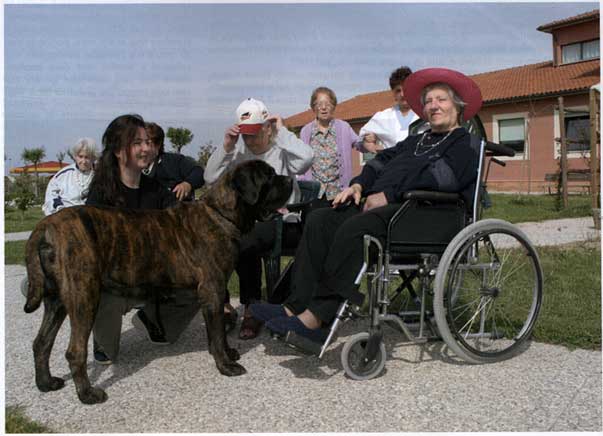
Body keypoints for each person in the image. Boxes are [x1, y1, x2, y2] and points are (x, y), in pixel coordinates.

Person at [250, 67, 483, 349]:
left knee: (356, 228)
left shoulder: (465, 143)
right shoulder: (416, 140)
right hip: (391, 209)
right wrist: (359, 184)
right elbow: (380, 161)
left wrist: (389, 194)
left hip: (426, 214)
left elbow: (442, 179)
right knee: (321, 219)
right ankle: (294, 306)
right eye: (429, 101)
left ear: (457, 106)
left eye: (441, 100)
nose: (433, 106)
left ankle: (318, 318)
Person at [87, 114, 199, 365]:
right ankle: (103, 338)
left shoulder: (156, 189)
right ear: (119, 150)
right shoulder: (101, 193)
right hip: (115, 278)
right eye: (137, 143)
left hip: (152, 273)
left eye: (148, 142)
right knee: (103, 297)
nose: (146, 148)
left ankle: (154, 322)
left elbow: (183, 220)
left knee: (197, 281)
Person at [204, 97, 313, 339]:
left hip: (283, 221)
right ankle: (224, 305)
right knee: (221, 240)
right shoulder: (239, 152)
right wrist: (227, 146)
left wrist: (282, 132)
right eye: (246, 135)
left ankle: (251, 308)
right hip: (250, 222)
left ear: (267, 128)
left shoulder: (282, 149)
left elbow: (307, 160)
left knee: (244, 241)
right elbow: (210, 177)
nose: (250, 140)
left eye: (255, 133)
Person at [298, 87, 359, 202]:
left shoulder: (344, 127)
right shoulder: (306, 131)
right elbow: (301, 160)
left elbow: (359, 143)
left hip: (340, 192)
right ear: (313, 107)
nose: (323, 107)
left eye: (328, 104)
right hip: (315, 193)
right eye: (319, 104)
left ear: (334, 106)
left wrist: (368, 141)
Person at [357, 66, 420, 152]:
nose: (402, 94)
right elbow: (361, 140)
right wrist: (369, 143)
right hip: (392, 160)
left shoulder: (425, 113)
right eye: (398, 91)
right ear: (393, 94)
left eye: (406, 89)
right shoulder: (383, 117)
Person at [143, 122, 205, 201]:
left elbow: (198, 172)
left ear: (158, 145)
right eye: (138, 143)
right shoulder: (132, 167)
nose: (142, 148)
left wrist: (187, 184)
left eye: (147, 143)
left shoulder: (174, 161)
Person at [42, 138, 98, 215]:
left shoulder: (99, 176)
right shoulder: (63, 175)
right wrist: (60, 209)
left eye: (87, 157)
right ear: (75, 156)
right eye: (80, 157)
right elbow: (51, 196)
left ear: (94, 158)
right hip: (64, 217)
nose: (83, 161)